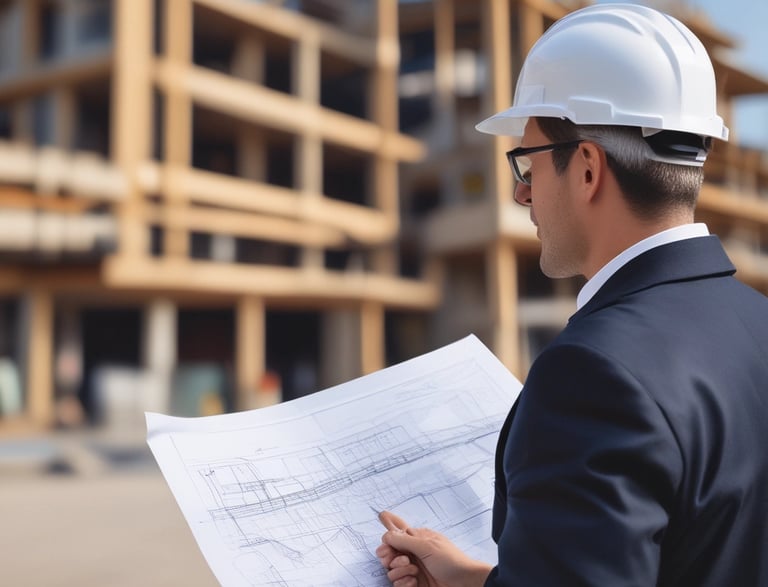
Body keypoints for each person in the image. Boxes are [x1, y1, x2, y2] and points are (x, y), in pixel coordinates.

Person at [376, 4, 768, 586]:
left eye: (527, 165)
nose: (519, 193)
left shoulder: (592, 376)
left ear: (586, 168)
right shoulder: (756, 321)